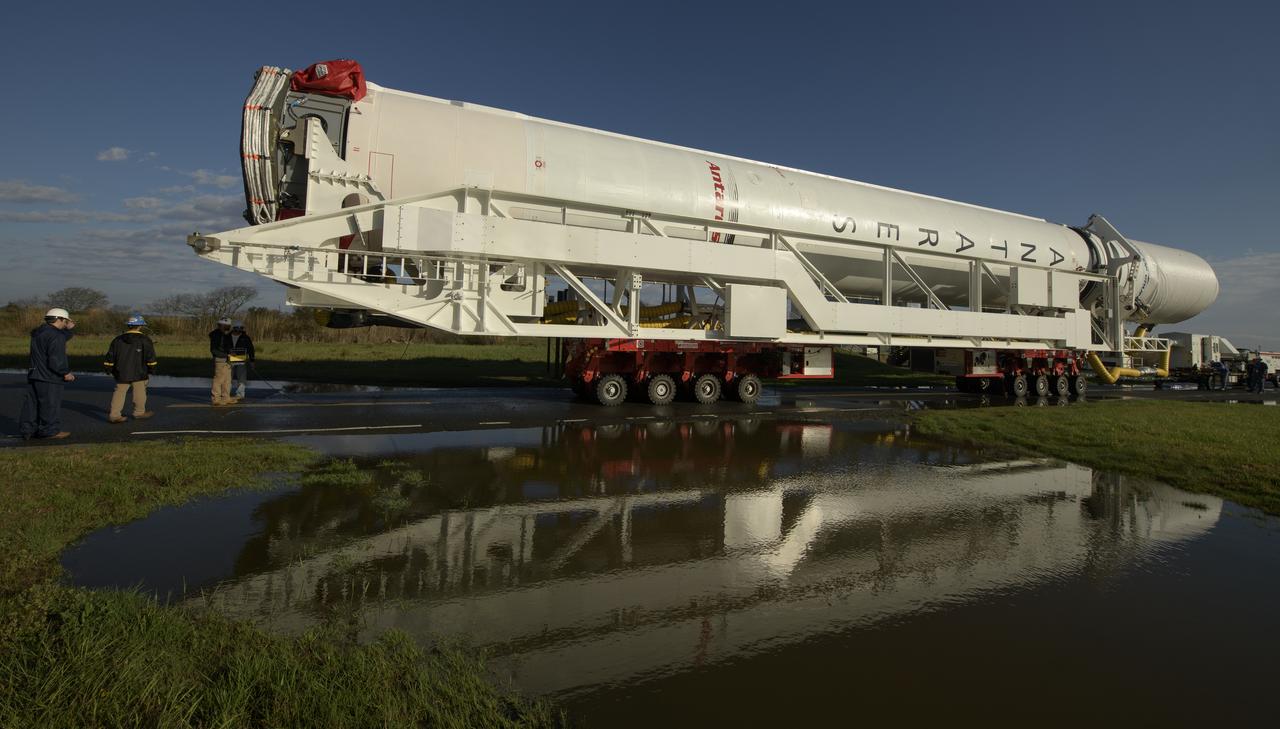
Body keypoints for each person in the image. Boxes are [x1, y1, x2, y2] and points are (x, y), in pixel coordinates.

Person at [18, 307, 76, 440]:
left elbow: (59, 337)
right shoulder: (56, 335)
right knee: (50, 405)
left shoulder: (39, 332)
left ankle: (28, 430)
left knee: (32, 404)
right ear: (60, 319)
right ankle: (49, 431)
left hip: (34, 374)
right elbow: (56, 359)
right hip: (49, 376)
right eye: (65, 321)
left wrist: (68, 329)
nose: (65, 323)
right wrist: (65, 373)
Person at [103, 314, 158, 423]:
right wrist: (152, 369)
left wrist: (108, 369)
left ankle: (114, 415)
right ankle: (139, 413)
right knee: (140, 392)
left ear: (128, 326)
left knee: (119, 392)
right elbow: (150, 357)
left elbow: (110, 356)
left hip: (121, 372)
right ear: (140, 326)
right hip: (140, 372)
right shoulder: (145, 340)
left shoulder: (117, 340)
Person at [209, 317, 239, 406]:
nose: (229, 327)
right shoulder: (216, 335)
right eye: (227, 325)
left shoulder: (224, 335)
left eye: (229, 325)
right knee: (218, 380)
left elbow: (225, 347)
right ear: (222, 325)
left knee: (227, 380)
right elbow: (214, 350)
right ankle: (216, 399)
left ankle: (226, 398)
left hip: (227, 360)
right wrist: (227, 355)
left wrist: (231, 352)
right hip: (220, 360)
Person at [228, 320, 255, 399]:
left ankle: (240, 394)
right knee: (228, 377)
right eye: (237, 328)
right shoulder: (227, 336)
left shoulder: (245, 338)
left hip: (241, 360)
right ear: (233, 328)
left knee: (242, 378)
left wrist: (252, 361)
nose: (239, 330)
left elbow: (251, 349)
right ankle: (226, 393)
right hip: (229, 359)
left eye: (241, 328)